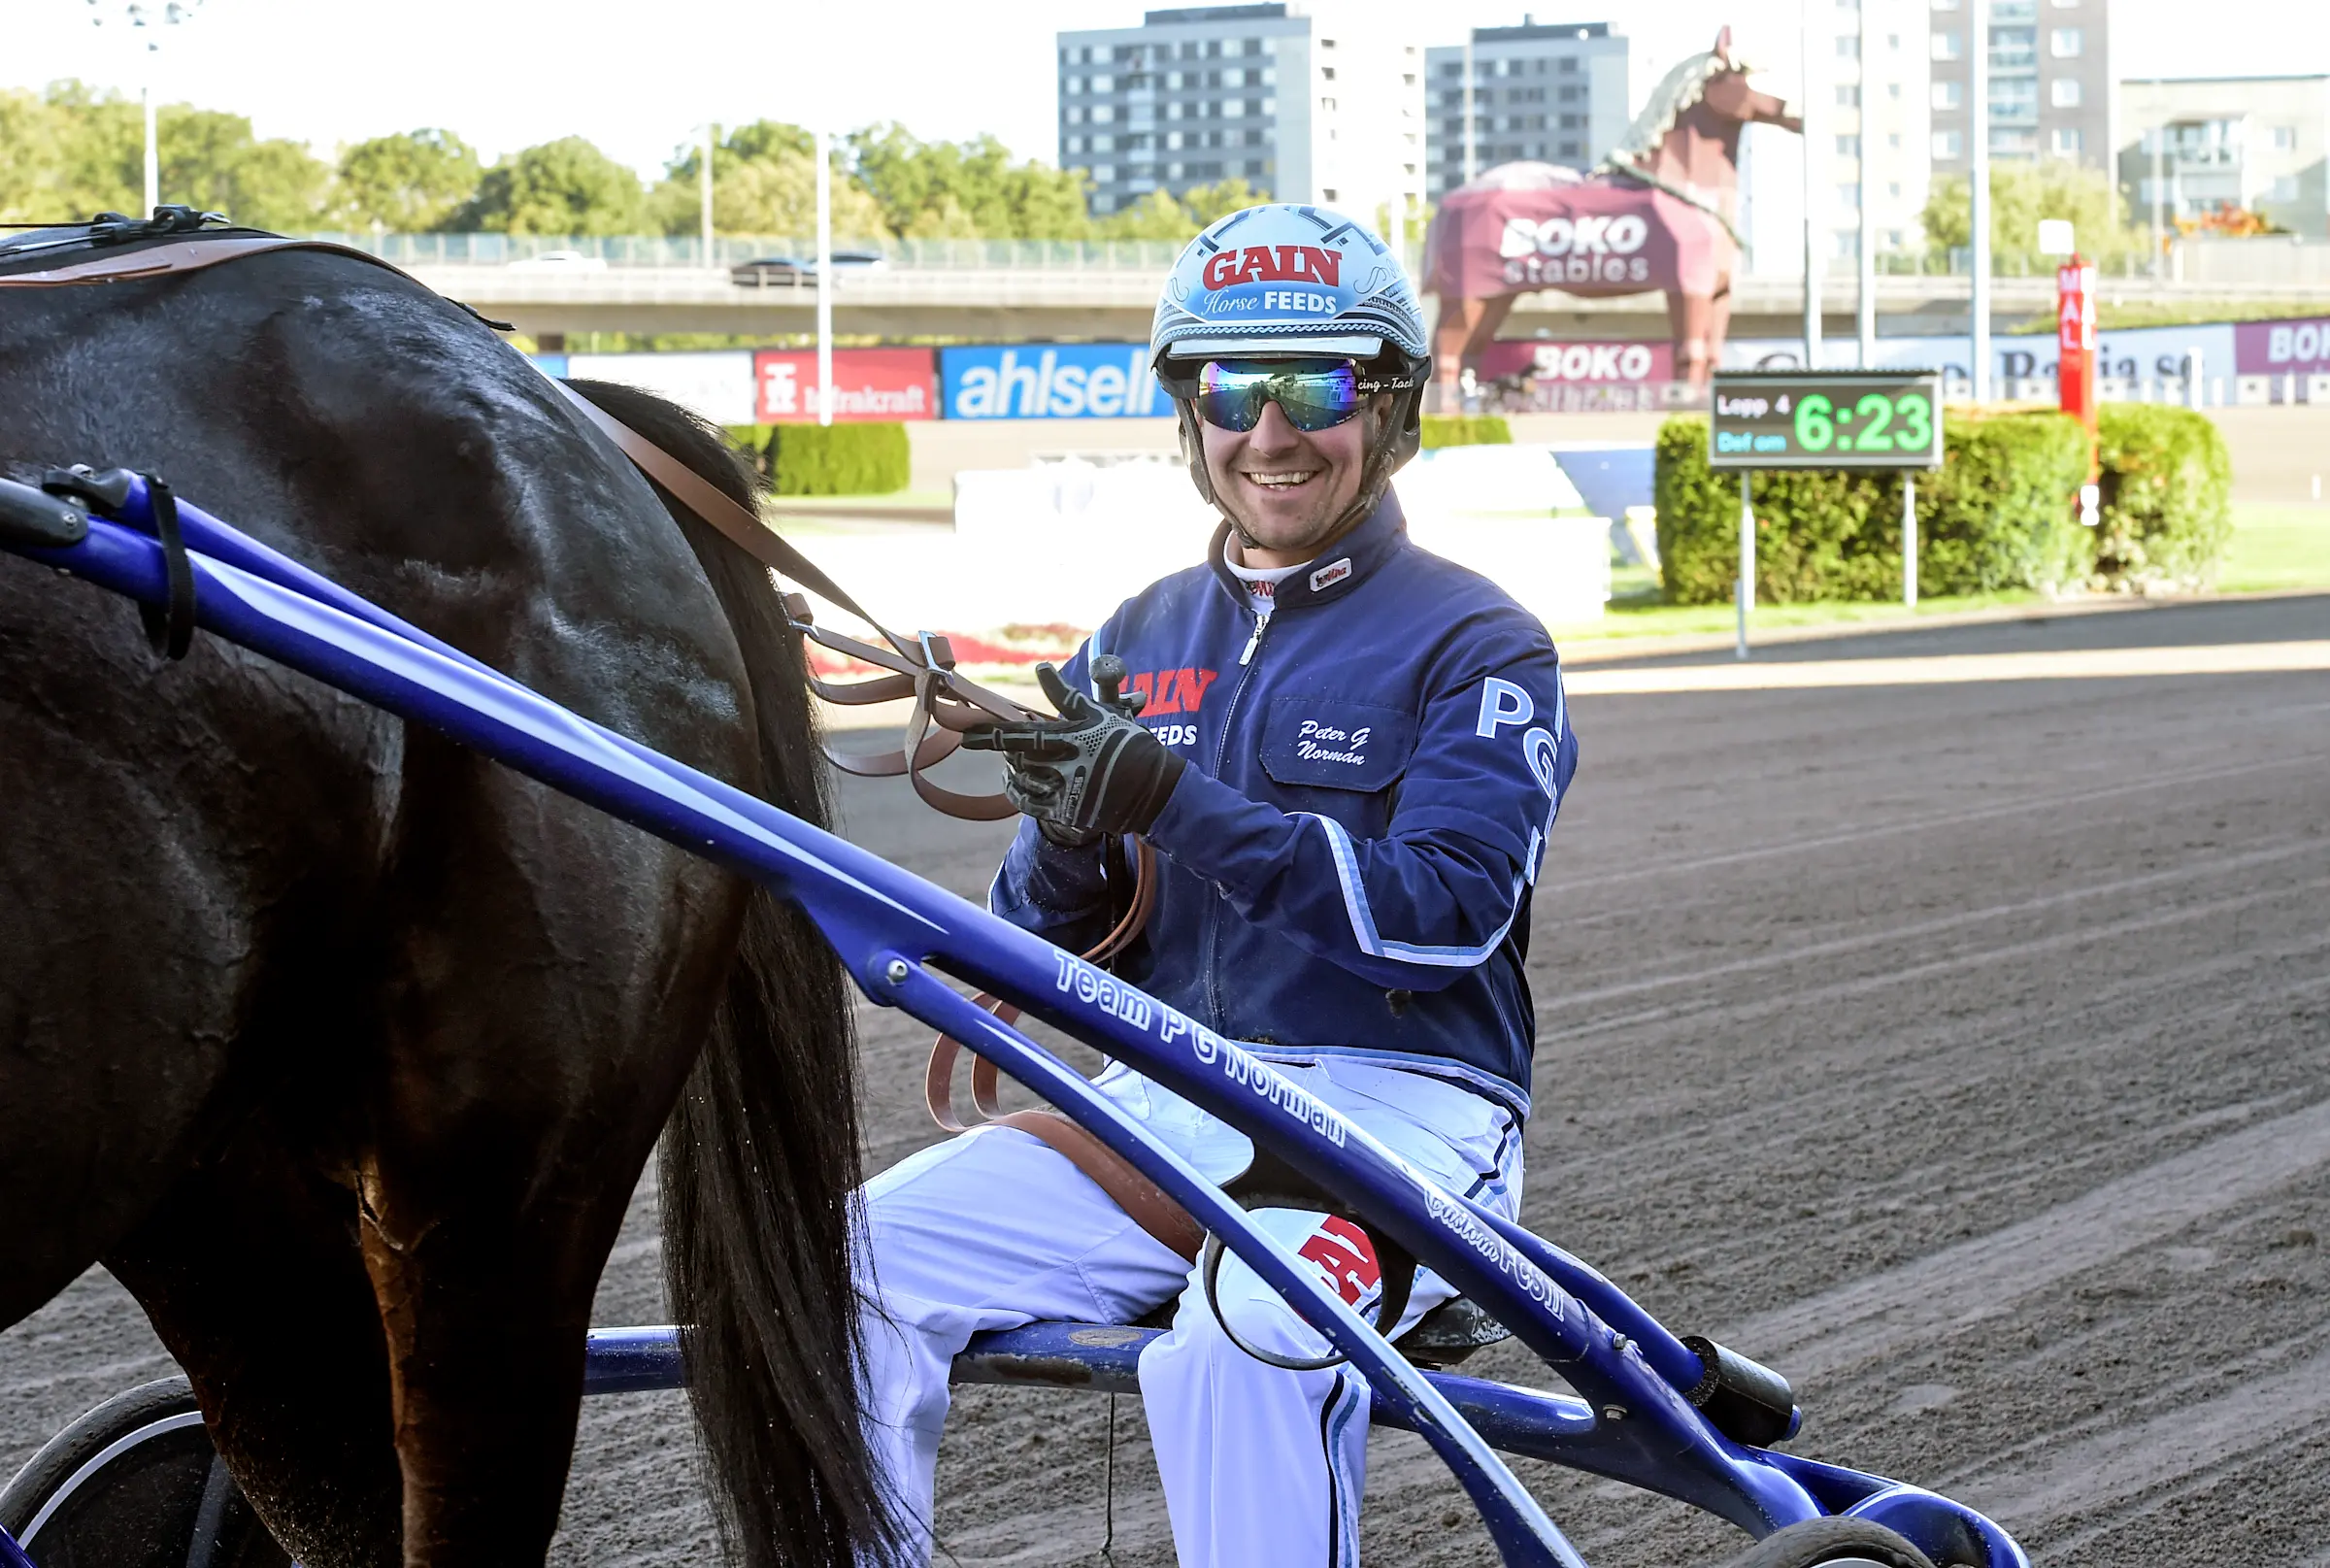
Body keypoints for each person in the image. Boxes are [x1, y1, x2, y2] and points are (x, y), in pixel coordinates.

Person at [852, 204, 1578, 1567]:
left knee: (1241, 1342)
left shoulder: (1482, 641)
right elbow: (1044, 936)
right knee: (845, 1268)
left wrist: (1174, 801)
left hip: (1404, 1114)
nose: (1273, 429)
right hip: (1171, 1099)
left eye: (1320, 385)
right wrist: (1069, 834)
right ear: (1191, 412)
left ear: (1391, 404)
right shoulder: (1137, 634)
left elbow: (1442, 920)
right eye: (1233, 387)